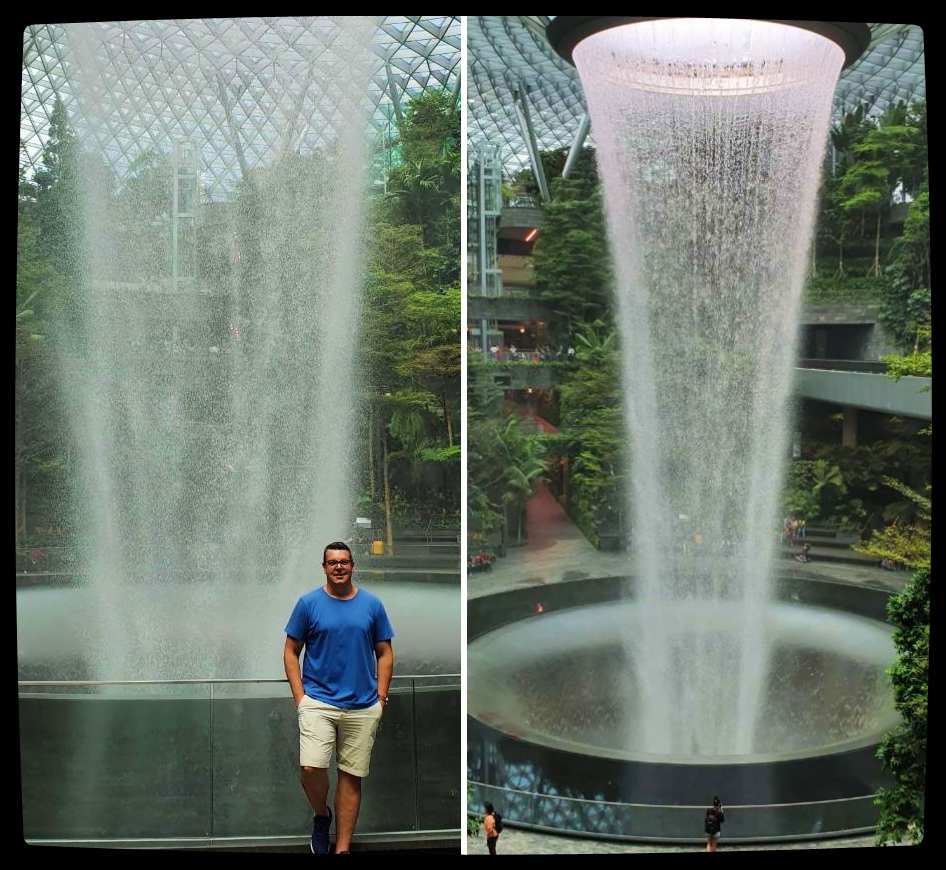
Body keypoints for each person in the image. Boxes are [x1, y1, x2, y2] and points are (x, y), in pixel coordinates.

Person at [284, 541, 395, 854]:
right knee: (311, 769)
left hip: (362, 706)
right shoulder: (308, 604)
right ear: (324, 567)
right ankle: (322, 816)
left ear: (352, 566)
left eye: (344, 561)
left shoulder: (372, 605)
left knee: (351, 777)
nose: (338, 567)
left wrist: (381, 697)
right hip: (318, 702)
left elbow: (384, 652)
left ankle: (342, 848)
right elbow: (291, 651)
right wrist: (300, 698)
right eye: (332, 562)